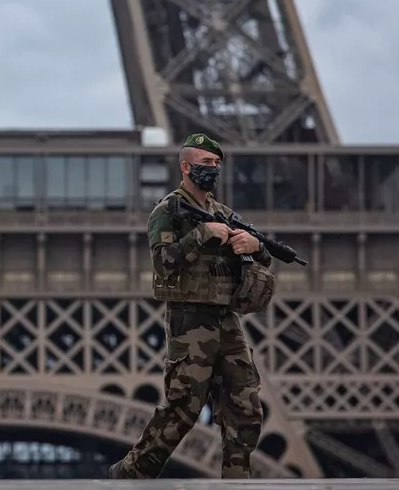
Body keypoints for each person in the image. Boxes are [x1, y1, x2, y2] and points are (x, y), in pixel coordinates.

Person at [108, 133, 276, 479]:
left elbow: (265, 259)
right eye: (205, 163)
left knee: (245, 405)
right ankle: (131, 473)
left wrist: (254, 244)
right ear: (186, 167)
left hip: (226, 317)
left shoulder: (225, 213)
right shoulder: (167, 211)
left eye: (216, 164)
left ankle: (237, 480)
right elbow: (163, 263)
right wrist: (201, 235)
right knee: (184, 407)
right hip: (190, 318)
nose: (212, 169)